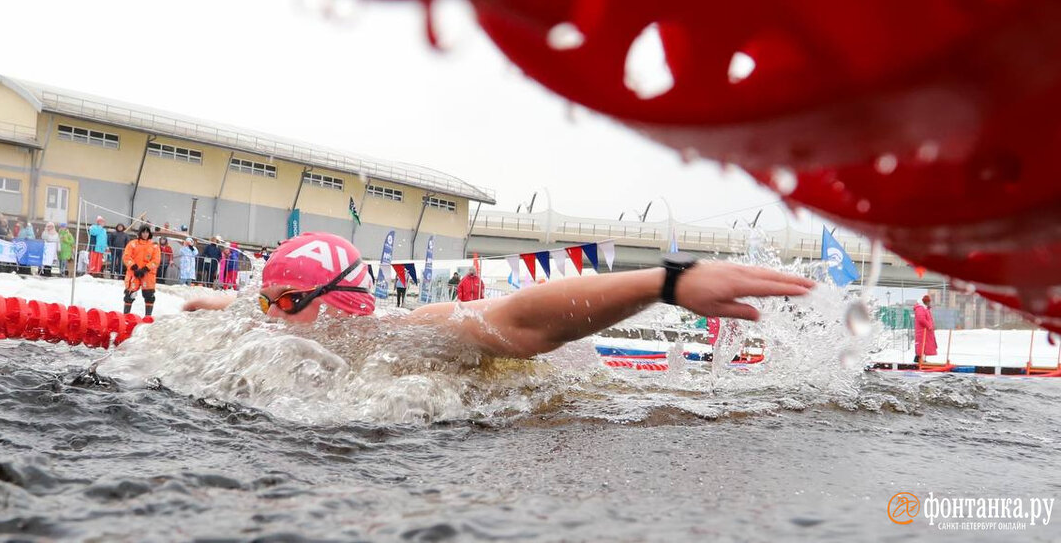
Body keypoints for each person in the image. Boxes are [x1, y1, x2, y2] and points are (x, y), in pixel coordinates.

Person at [183, 232, 816, 361]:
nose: (270, 319)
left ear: (342, 301)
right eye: (266, 302)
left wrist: (669, 282)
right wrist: (212, 305)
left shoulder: (405, 331)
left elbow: (521, 320)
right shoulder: (285, 329)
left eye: (285, 303)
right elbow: (242, 310)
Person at [122, 225, 161, 317]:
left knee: (149, 296)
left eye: (147, 232)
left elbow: (156, 260)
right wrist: (134, 267)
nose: (145, 234)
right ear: (140, 233)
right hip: (133, 273)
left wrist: (145, 268)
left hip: (148, 274)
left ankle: (148, 317)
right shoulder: (132, 244)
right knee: (129, 295)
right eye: (143, 232)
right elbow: (126, 257)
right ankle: (125, 317)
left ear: (149, 233)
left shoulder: (154, 246)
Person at [914, 294, 938, 364]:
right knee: (922, 345)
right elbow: (921, 319)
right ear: (925, 302)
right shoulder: (920, 308)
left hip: (925, 331)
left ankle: (921, 359)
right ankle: (919, 359)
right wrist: (929, 326)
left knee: (924, 346)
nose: (929, 303)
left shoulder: (924, 308)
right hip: (923, 331)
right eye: (928, 302)